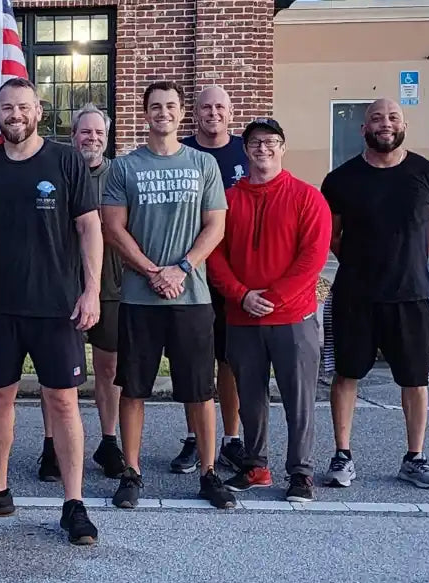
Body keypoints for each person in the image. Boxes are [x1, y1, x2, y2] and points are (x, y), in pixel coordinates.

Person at [0, 78, 102, 546]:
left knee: (63, 401)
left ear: (39, 112)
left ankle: (74, 503)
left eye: (23, 107)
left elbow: (90, 228)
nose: (14, 115)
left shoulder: (65, 160)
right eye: (6, 107)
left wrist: (90, 290)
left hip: (57, 306)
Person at [101, 80, 235, 510]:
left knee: (200, 390)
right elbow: (113, 228)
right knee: (134, 388)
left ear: (182, 114)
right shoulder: (124, 167)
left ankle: (210, 473)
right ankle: (132, 472)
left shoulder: (202, 165)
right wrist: (151, 271)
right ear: (145, 114)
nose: (163, 112)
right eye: (155, 106)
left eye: (171, 106)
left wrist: (181, 268)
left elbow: (215, 225)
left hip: (192, 297)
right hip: (140, 298)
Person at [320, 98, 429, 490]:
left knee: (415, 380)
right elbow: (333, 236)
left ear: (404, 124)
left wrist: (406, 262)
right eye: (376, 118)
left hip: (412, 297)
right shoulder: (341, 180)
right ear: (364, 128)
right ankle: (343, 456)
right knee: (346, 375)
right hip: (354, 297)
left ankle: (414, 458)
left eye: (392, 117)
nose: (385, 124)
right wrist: (366, 264)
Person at [207, 119, 331, 502]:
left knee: (299, 398)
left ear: (283, 148)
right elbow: (214, 253)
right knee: (251, 397)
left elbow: (312, 257)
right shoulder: (228, 199)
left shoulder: (306, 197)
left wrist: (274, 297)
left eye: (271, 142)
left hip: (293, 317)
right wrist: (241, 295)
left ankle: (301, 472)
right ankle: (256, 465)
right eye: (256, 143)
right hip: (242, 317)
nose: (263, 149)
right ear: (245, 150)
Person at [37, 103, 125, 482]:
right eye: (84, 133)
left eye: (98, 133)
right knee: (54, 374)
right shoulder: (56, 170)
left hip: (108, 286)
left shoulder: (119, 177)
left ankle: (109, 441)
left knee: (109, 368)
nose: (91, 139)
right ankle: (51, 444)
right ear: (73, 136)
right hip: (59, 286)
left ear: (106, 139)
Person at [178, 84, 247, 474]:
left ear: (230, 112)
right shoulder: (182, 152)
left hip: (234, 272)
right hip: (191, 271)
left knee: (229, 359)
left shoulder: (245, 153)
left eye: (220, 106)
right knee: (195, 360)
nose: (213, 113)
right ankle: (193, 438)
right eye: (206, 107)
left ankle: (231, 439)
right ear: (196, 113)